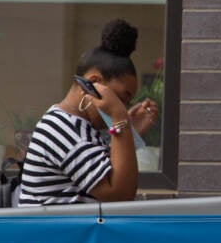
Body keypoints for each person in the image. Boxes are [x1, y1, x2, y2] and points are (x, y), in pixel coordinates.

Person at [19, 19, 159, 206]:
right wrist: (120, 121)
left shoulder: (77, 126)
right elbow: (119, 196)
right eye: (121, 98)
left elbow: (105, 172)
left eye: (126, 103)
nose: (122, 107)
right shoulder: (63, 129)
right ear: (93, 83)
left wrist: (128, 132)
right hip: (54, 235)